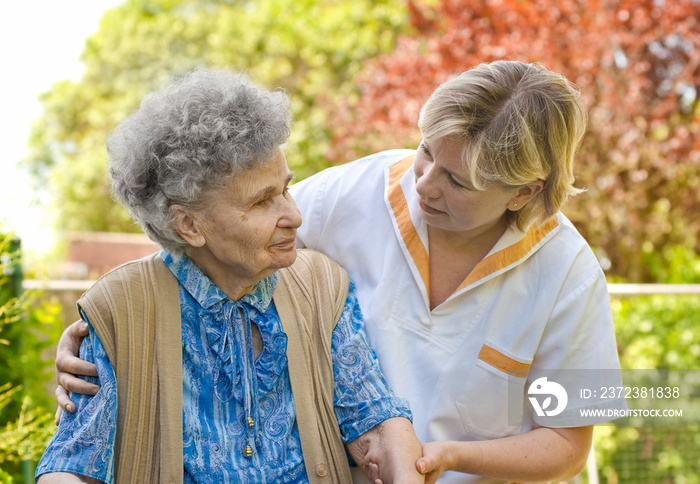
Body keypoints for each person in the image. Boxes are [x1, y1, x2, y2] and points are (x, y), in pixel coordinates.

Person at [53, 61, 625, 483]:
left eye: (459, 182)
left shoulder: (572, 273)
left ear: (523, 192)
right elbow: (208, 236)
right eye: (427, 152)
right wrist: (105, 323)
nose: (423, 184)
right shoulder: (359, 190)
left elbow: (569, 444)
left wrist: (446, 456)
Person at [36, 68, 424, 484]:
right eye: (261, 202)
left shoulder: (323, 287)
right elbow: (73, 463)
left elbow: (376, 419)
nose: (293, 216)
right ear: (190, 226)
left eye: (286, 190)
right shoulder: (122, 309)